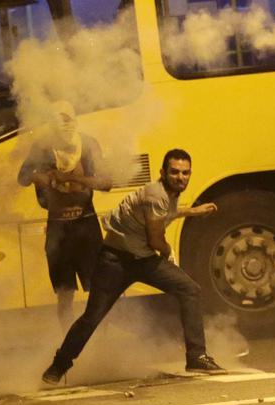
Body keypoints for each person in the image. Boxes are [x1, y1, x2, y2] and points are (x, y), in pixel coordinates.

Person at [42, 148, 225, 384]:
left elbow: (158, 215)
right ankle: (58, 366)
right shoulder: (156, 194)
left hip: (142, 259)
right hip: (115, 262)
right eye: (175, 172)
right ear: (163, 172)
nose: (181, 177)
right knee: (92, 317)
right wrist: (168, 252)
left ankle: (197, 356)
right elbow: (155, 238)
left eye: (185, 173)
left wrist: (190, 211)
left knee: (190, 290)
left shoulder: (166, 193)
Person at [18, 101, 111, 329]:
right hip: (58, 228)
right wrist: (42, 177)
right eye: (59, 119)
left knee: (98, 288)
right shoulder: (42, 147)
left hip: (86, 225)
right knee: (64, 293)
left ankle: (101, 338)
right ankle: (68, 341)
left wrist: (72, 179)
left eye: (68, 118)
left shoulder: (88, 145)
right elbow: (23, 177)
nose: (65, 124)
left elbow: (106, 182)